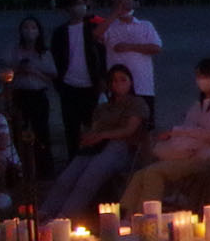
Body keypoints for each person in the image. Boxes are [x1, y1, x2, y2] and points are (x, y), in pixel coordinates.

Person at [120, 59, 210, 211]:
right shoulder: (199, 104)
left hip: (205, 158)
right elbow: (189, 125)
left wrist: (180, 132)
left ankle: (147, 219)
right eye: (198, 76)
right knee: (140, 174)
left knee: (154, 173)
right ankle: (123, 216)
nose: (200, 80)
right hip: (187, 154)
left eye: (203, 76)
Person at [39, 64, 148, 218]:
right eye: (114, 81)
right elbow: (94, 128)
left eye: (123, 80)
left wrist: (103, 135)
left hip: (121, 148)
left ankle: (65, 217)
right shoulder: (103, 107)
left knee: (89, 178)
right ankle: (44, 213)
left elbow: (129, 130)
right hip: (97, 146)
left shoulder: (136, 103)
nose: (118, 84)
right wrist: (89, 137)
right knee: (67, 177)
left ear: (130, 82)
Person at [49, 0, 105, 162]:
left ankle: (96, 159)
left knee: (94, 125)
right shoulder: (60, 33)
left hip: (91, 85)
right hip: (69, 86)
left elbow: (102, 55)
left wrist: (102, 78)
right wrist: (59, 83)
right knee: (71, 128)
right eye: (75, 4)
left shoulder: (94, 28)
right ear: (67, 8)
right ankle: (73, 160)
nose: (79, 7)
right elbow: (55, 59)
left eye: (81, 3)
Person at [0, 15, 55, 178]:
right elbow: (4, 71)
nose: (29, 31)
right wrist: (18, 70)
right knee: (19, 132)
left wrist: (35, 72)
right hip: (20, 94)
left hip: (38, 95)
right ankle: (20, 168)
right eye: (26, 27)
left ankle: (44, 169)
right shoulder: (13, 49)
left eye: (33, 28)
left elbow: (52, 76)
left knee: (41, 132)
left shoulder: (44, 52)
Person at [99, 0, 163, 124]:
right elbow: (95, 35)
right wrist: (115, 14)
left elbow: (156, 47)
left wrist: (129, 47)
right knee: (119, 126)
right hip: (118, 88)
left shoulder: (145, 25)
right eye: (120, 2)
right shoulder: (109, 27)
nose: (125, 5)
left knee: (145, 127)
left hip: (143, 85)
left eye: (128, 1)